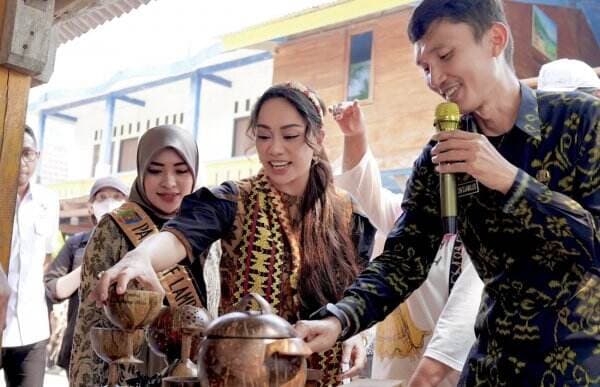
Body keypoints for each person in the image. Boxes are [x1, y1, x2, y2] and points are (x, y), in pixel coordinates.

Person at [295, 0, 600, 385]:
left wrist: (510, 181)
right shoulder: (441, 154)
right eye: (425, 67)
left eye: (445, 55)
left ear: (495, 39)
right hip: (491, 366)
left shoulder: (581, 120)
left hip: (579, 367)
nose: (435, 78)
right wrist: (341, 317)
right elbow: (403, 257)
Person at [92, 82, 376, 386]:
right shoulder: (233, 200)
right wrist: (142, 256)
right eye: (264, 135)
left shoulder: (350, 214)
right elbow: (178, 236)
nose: (274, 148)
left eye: (290, 135)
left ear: (317, 139)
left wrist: (359, 332)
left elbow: (360, 289)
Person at [332, 100, 484, 386]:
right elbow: (363, 187)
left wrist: (427, 377)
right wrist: (354, 134)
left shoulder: (484, 238)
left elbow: (462, 318)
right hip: (395, 378)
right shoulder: (408, 220)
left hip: (441, 378)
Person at [69, 125, 204, 386]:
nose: (169, 182)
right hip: (130, 374)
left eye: (181, 170)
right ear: (141, 171)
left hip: (192, 374)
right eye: (155, 170)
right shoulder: (113, 228)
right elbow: (91, 323)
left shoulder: (204, 229)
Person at [44, 176, 128, 373]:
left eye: (117, 196)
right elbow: (53, 289)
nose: (109, 202)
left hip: (125, 345)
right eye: (102, 197)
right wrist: (91, 263)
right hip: (81, 345)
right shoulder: (77, 243)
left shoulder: (140, 245)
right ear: (91, 207)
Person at [2, 125, 60, 387]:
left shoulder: (48, 201)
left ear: (37, 156)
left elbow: (45, 257)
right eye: (14, 152)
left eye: (28, 153)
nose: (22, 162)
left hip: (32, 328)